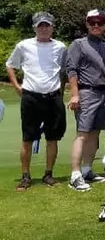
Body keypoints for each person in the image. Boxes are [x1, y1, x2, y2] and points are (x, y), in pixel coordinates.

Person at [6, 12, 66, 190]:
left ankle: (48, 174)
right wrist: (17, 86)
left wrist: (61, 91)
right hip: (31, 97)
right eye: (40, 25)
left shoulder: (61, 47)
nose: (44, 28)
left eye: (47, 25)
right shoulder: (23, 46)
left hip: (53, 97)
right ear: (34, 28)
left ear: (52, 27)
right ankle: (25, 176)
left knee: (52, 138)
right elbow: (10, 65)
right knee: (27, 138)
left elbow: (64, 71)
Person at [66, 9, 105, 191]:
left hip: (103, 93)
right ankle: (75, 175)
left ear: (104, 25)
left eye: (99, 23)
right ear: (86, 24)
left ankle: (87, 170)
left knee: (95, 133)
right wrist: (75, 95)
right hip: (86, 93)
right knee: (83, 133)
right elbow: (72, 70)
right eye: (92, 22)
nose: (96, 26)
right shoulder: (78, 44)